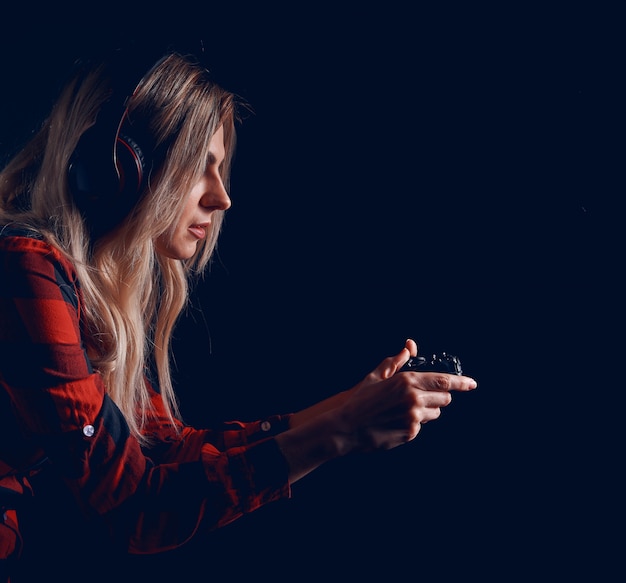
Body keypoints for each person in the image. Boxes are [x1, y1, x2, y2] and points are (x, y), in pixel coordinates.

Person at [0, 46, 477, 581]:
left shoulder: (81, 290)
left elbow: (163, 450)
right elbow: (138, 506)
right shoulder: (26, 271)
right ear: (119, 168)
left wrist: (348, 407)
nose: (222, 197)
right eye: (197, 168)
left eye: (220, 169)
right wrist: (340, 431)